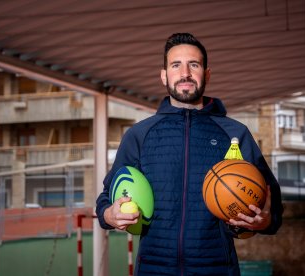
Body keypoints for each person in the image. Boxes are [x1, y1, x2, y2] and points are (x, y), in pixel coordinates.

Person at [96, 33, 283, 276]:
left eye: (193, 64)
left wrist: (265, 221)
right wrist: (109, 215)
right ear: (164, 74)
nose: (185, 73)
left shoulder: (235, 134)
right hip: (154, 270)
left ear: (206, 74)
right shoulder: (140, 135)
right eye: (176, 65)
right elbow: (105, 199)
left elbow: (273, 204)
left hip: (217, 270)